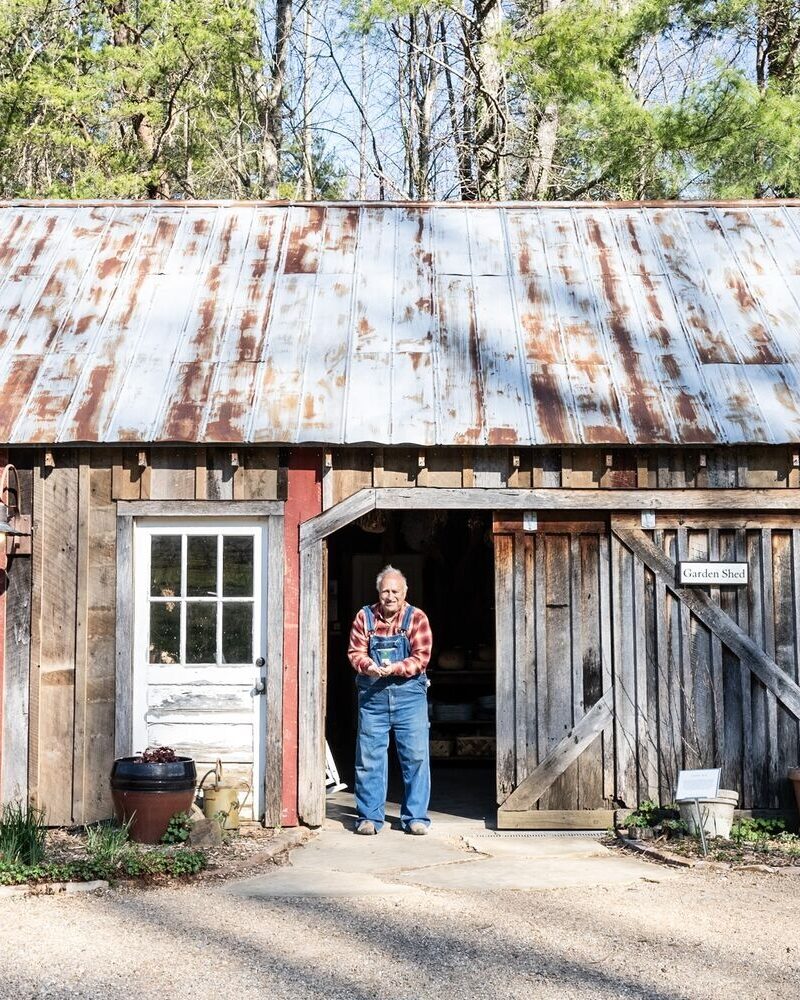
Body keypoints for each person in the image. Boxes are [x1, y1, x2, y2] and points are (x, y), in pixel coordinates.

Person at [347, 565, 433, 835]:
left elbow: (421, 657)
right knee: (370, 758)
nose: (390, 596)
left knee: (416, 757)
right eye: (385, 590)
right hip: (373, 697)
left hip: (409, 696)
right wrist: (367, 666)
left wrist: (394, 668)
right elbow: (354, 652)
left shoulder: (417, 618)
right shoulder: (364, 617)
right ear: (378, 592)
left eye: (395, 590)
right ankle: (369, 817)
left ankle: (415, 817)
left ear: (405, 592)